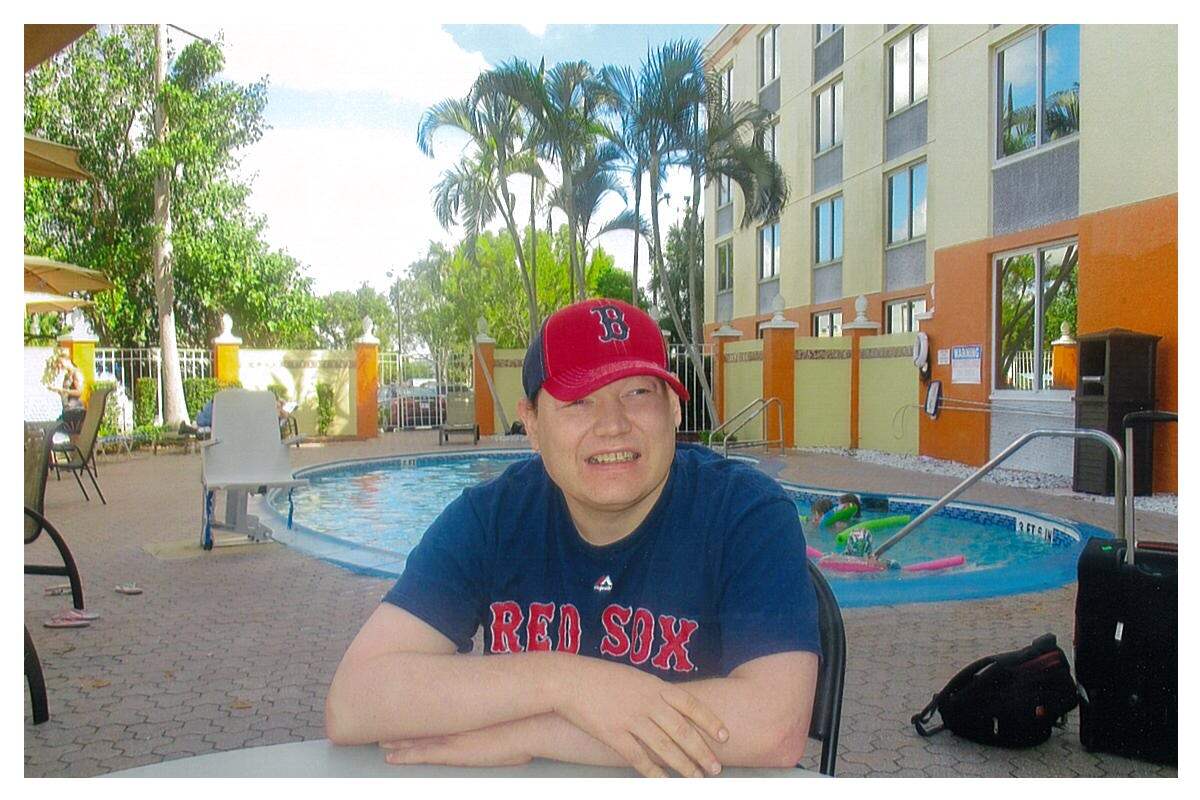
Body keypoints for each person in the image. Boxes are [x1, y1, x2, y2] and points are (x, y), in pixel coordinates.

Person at [325, 299, 821, 777]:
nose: (612, 425)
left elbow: (772, 726)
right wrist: (566, 683)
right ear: (533, 424)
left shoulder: (746, 513)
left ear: (673, 408)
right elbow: (353, 702)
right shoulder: (492, 519)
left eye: (637, 393)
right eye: (579, 400)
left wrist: (532, 733)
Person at [44, 347, 85, 428]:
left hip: (75, 410)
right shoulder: (67, 375)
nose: (60, 365)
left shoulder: (76, 373)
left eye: (60, 362)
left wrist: (62, 390)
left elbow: (79, 392)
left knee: (74, 437)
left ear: (67, 360)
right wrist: (57, 391)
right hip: (67, 409)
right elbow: (66, 392)